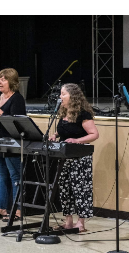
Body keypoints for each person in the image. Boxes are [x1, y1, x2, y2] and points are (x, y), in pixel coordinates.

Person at [49, 83, 99, 233]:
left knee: (80, 189)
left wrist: (77, 140)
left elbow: (94, 134)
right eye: (61, 94)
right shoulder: (63, 111)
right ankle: (68, 221)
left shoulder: (83, 113)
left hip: (80, 157)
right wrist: (55, 135)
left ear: (73, 96)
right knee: (65, 188)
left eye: (63, 94)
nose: (60, 97)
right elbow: (64, 130)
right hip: (64, 156)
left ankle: (81, 223)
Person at [0, 68, 26, 222]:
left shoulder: (17, 99)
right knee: (2, 176)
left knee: (15, 176)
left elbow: (16, 123)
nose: (0, 82)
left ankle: (18, 210)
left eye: (3, 79)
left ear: (12, 82)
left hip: (12, 143)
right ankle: (2, 208)